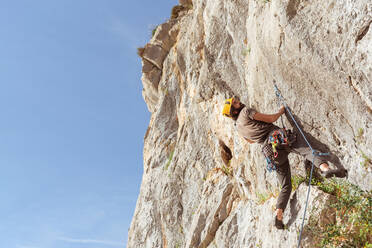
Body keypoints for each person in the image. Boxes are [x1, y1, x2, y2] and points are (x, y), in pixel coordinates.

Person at [222, 97, 346, 229]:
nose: (239, 102)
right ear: (234, 112)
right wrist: (281, 111)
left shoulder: (238, 128)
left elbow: (251, 141)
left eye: (236, 101)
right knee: (307, 151)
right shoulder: (246, 112)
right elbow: (270, 119)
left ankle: (279, 214)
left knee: (286, 185)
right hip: (278, 138)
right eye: (235, 103)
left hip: (270, 152)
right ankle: (325, 169)